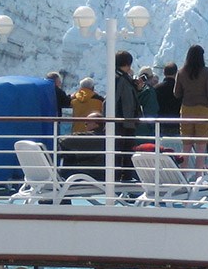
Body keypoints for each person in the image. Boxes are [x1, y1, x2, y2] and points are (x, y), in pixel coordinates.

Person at [175, 44, 208, 169]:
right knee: (201, 147)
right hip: (204, 110)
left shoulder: (181, 72)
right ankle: (199, 176)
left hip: (187, 109)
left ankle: (183, 175)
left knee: (186, 145)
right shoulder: (207, 72)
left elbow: (176, 93)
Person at [111, 50, 139, 178]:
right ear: (127, 64)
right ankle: (120, 176)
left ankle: (123, 175)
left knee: (125, 150)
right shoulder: (119, 79)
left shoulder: (121, 78)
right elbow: (114, 99)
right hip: (122, 121)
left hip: (125, 121)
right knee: (122, 150)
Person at [58, 112, 106, 179]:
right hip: (96, 170)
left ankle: (58, 177)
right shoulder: (104, 138)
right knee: (69, 155)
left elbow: (65, 140)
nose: (85, 125)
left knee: (65, 155)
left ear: (96, 124)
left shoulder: (93, 137)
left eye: (87, 123)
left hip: (92, 173)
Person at [156, 61, 181, 136]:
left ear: (164, 73)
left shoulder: (156, 88)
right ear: (176, 73)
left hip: (161, 123)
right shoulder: (180, 89)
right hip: (177, 123)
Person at [135, 66, 160, 138]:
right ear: (151, 78)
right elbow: (152, 111)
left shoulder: (132, 89)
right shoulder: (149, 92)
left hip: (134, 129)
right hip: (147, 131)